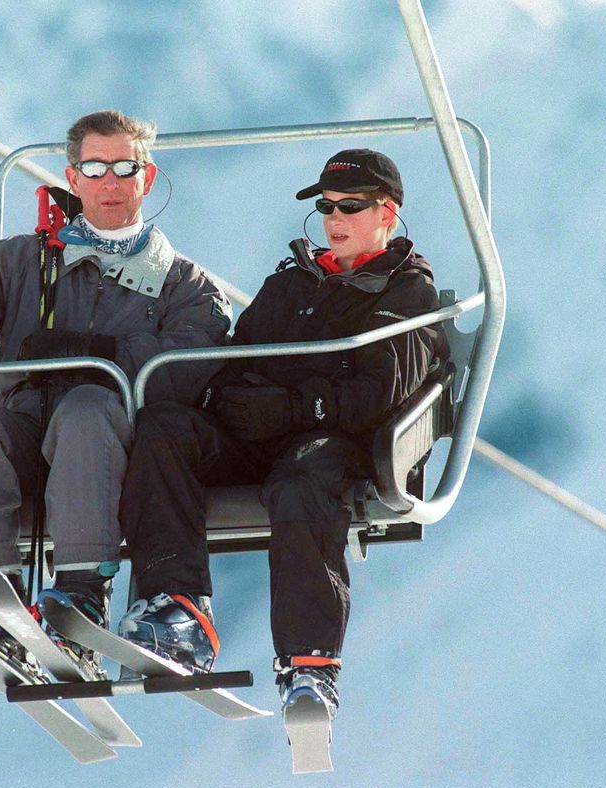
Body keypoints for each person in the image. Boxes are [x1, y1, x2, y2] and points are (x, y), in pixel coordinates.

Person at [117, 149, 449, 719]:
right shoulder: (295, 279)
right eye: (326, 206)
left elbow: (380, 392)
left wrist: (295, 406)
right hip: (258, 436)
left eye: (350, 206)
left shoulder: (404, 292)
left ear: (386, 213)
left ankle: (310, 665)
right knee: (165, 428)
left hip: (334, 441)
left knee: (303, 483)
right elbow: (243, 352)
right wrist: (234, 399)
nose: (334, 218)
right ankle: (177, 607)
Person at [0, 109, 232, 677]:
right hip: (22, 429)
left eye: (124, 168)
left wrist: (94, 353)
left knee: (87, 406)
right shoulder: (17, 264)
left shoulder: (185, 286)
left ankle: (81, 594)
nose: (110, 182)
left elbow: (185, 366)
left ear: (146, 178)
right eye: (96, 168)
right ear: (73, 178)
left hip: (108, 446)